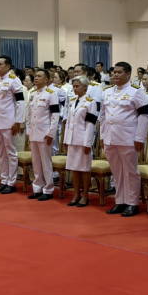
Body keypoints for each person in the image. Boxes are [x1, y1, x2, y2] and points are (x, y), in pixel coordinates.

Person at [100, 61, 148, 217]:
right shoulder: (107, 92)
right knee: (116, 171)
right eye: (114, 72)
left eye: (119, 72)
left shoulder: (136, 92)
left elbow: (144, 115)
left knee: (130, 171)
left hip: (128, 137)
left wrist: (140, 137)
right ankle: (120, 201)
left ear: (128, 74)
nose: (115, 74)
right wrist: (102, 136)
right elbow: (103, 116)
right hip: (110, 137)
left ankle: (132, 203)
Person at [0, 56, 26, 194]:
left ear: (8, 66)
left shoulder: (14, 80)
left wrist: (18, 121)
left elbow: (20, 102)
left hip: (9, 121)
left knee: (11, 152)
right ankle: (3, 180)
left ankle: (11, 182)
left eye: (0, 64)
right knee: (1, 152)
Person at [25, 69, 61, 201]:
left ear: (46, 80)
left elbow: (55, 115)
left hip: (45, 133)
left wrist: (51, 133)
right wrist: (28, 131)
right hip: (33, 133)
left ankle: (48, 189)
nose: (36, 78)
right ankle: (37, 188)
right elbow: (29, 114)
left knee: (46, 163)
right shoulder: (33, 94)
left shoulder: (51, 94)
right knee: (36, 162)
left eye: (39, 76)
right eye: (35, 76)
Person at [63, 76, 98, 208]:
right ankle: (76, 194)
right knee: (74, 168)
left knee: (84, 169)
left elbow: (90, 124)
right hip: (72, 139)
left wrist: (88, 143)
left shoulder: (90, 102)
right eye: (74, 86)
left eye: (77, 86)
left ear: (85, 87)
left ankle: (85, 195)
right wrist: (66, 139)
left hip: (83, 140)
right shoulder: (73, 100)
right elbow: (68, 122)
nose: (75, 88)